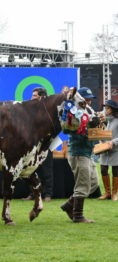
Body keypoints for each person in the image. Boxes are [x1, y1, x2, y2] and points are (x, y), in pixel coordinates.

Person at [61, 87, 99, 223]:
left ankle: (69, 205)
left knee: (93, 183)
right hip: (78, 152)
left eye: (90, 99)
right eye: (86, 99)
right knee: (83, 184)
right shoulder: (72, 112)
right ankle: (78, 215)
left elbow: (92, 126)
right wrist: (89, 123)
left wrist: (99, 121)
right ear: (80, 99)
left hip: (87, 152)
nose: (89, 101)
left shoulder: (89, 110)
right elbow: (66, 129)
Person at [22, 87, 54, 201]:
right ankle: (33, 194)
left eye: (34, 96)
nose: (31, 98)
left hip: (45, 145)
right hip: (32, 146)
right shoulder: (29, 110)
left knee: (46, 171)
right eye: (32, 95)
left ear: (42, 97)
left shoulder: (49, 111)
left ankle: (48, 194)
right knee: (31, 171)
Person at [98, 100, 118, 201]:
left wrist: (113, 142)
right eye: (105, 108)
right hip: (104, 150)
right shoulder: (106, 121)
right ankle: (107, 193)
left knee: (116, 171)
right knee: (103, 169)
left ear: (113, 110)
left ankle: (114, 194)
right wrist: (99, 133)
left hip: (115, 150)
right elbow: (104, 136)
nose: (106, 110)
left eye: (108, 108)